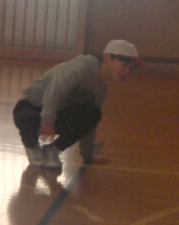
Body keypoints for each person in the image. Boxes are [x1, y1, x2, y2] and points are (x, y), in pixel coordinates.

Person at [12, 39, 140, 169]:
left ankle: (53, 149)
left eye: (130, 68)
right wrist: (47, 121)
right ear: (107, 57)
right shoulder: (80, 69)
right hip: (33, 106)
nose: (127, 71)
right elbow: (54, 91)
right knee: (26, 117)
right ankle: (32, 146)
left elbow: (90, 126)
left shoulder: (100, 90)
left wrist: (88, 156)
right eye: (124, 64)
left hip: (56, 113)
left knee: (92, 114)